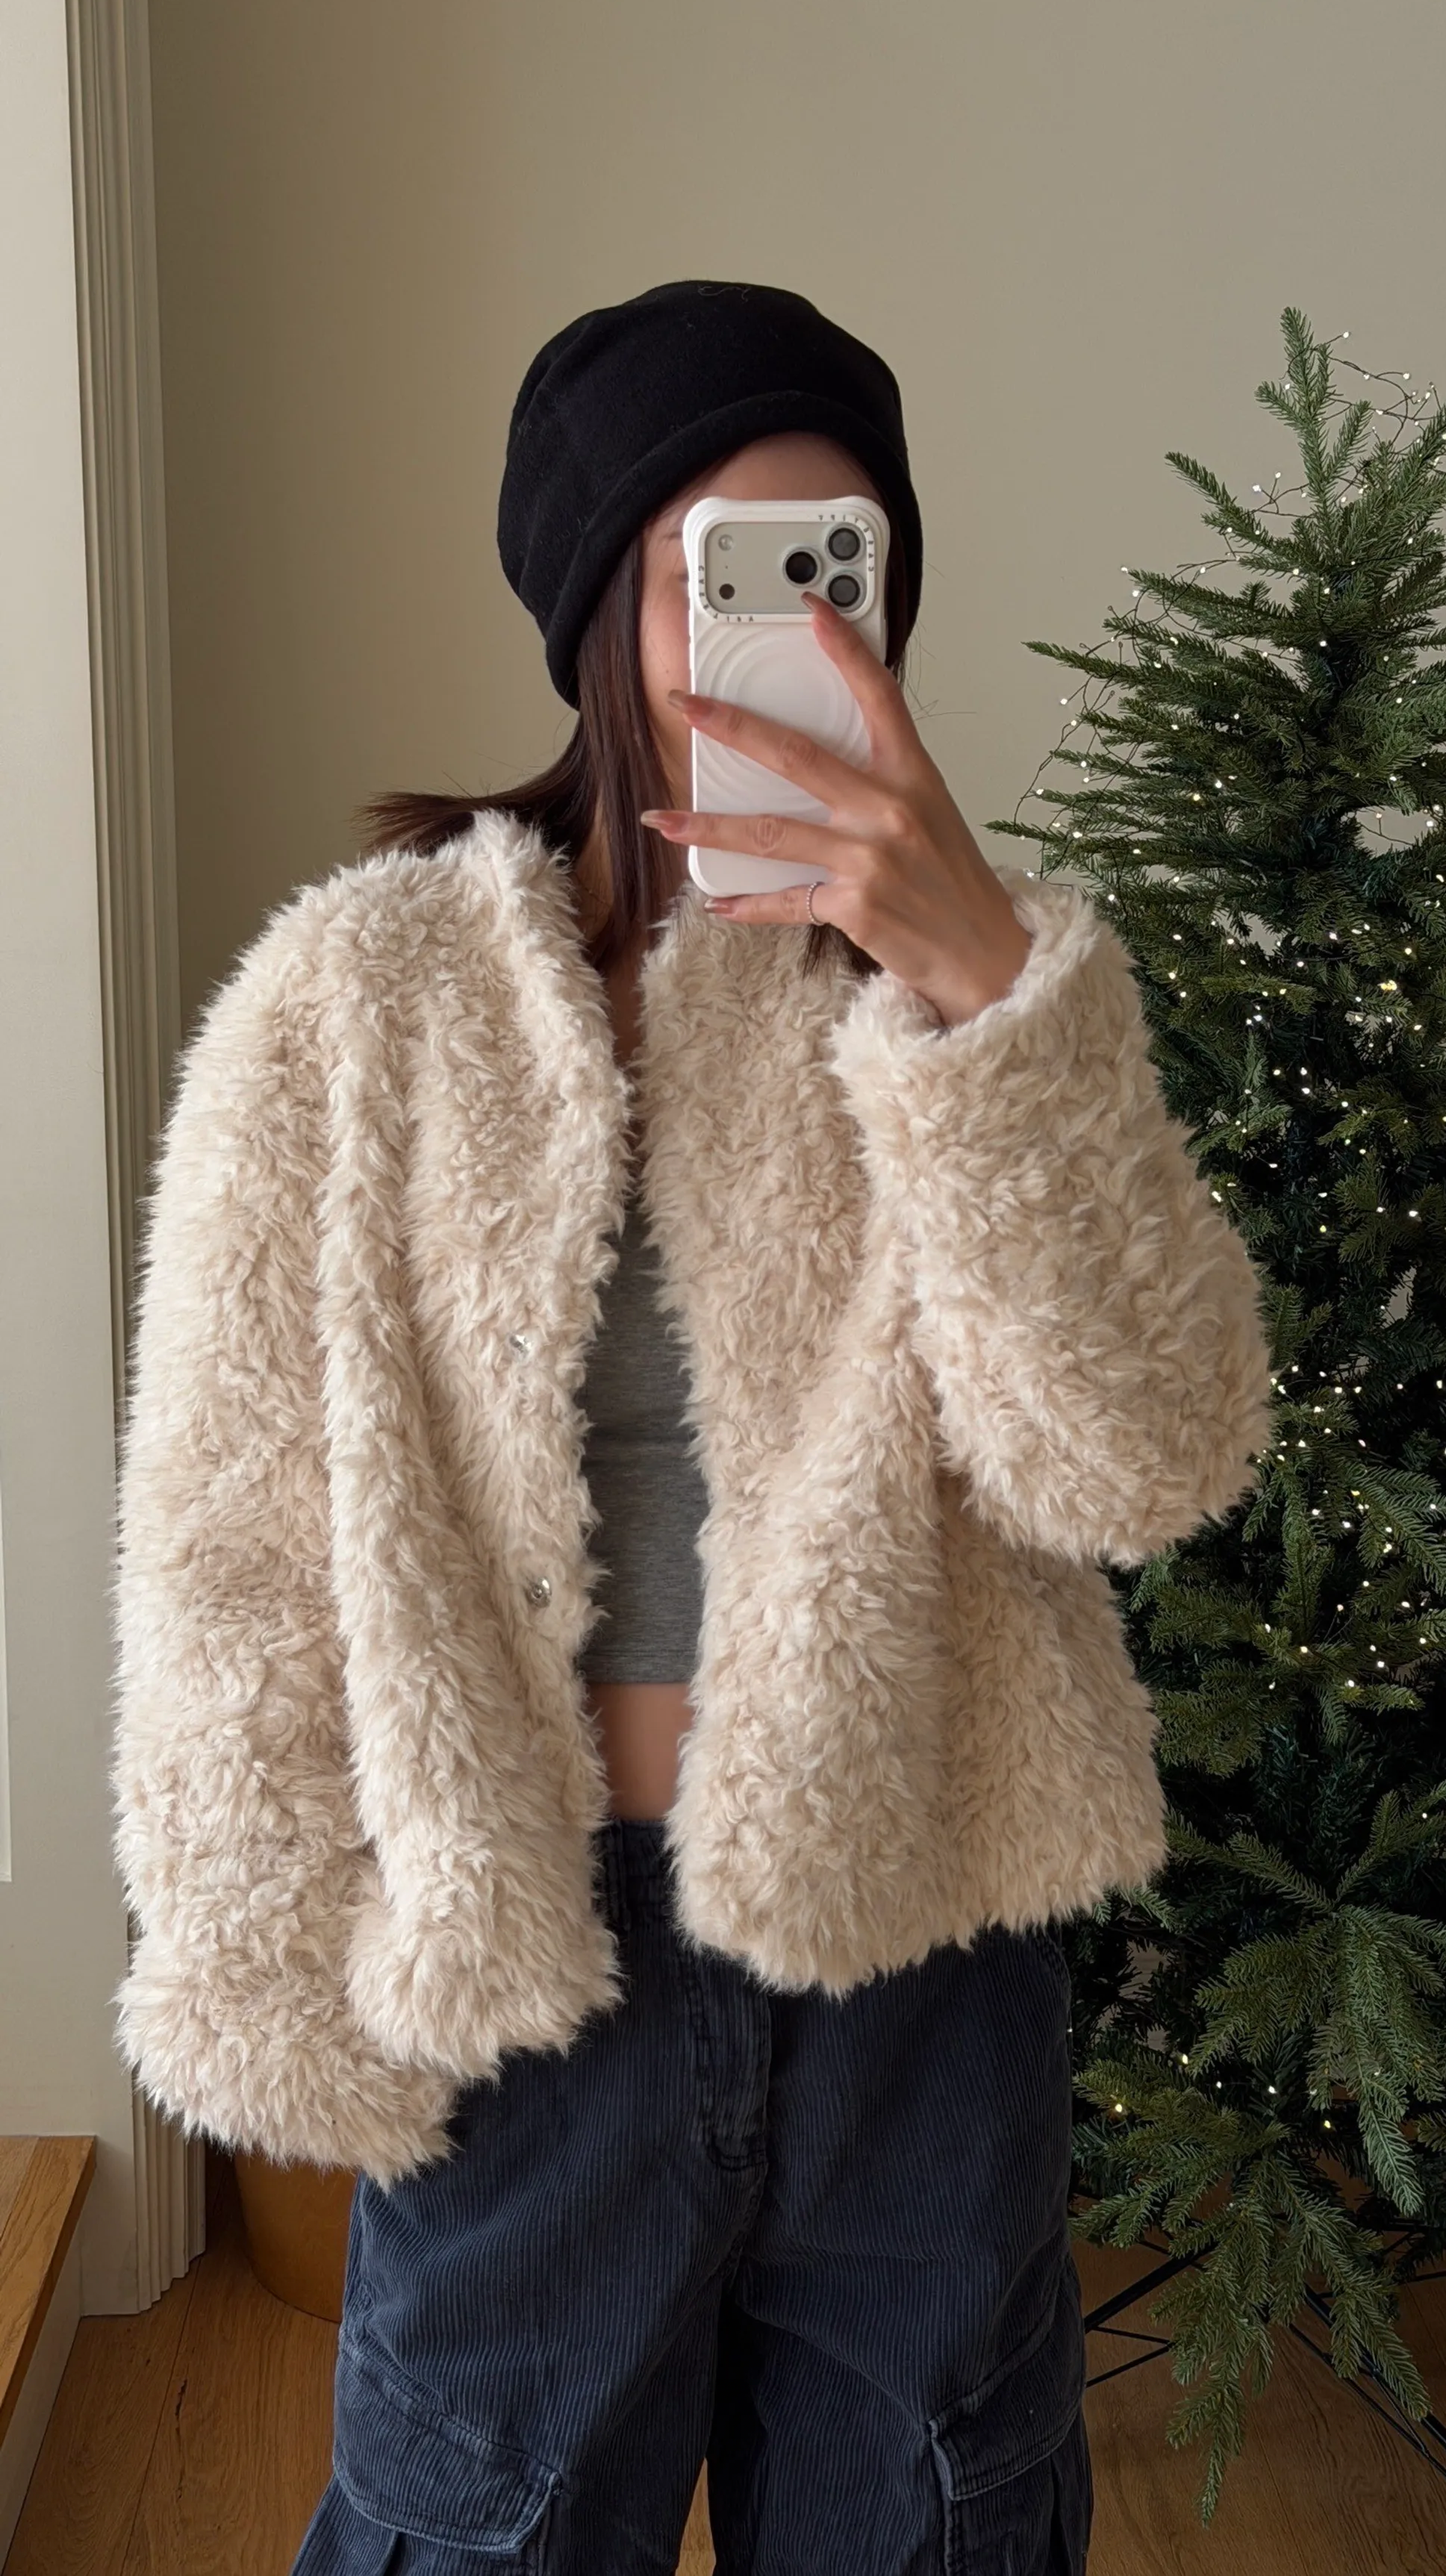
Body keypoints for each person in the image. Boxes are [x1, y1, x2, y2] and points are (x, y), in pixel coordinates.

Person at [107, 278, 1275, 2575]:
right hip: (536, 1970)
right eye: (717, 574)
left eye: (840, 568)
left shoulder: (990, 983)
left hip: (919, 1966)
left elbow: (1142, 1462)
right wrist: (263, 1962)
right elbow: (232, 1536)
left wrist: (983, 1004)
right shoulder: (366, 996)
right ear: (597, 615)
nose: (791, 636)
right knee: (475, 2532)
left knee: (932, 2532)